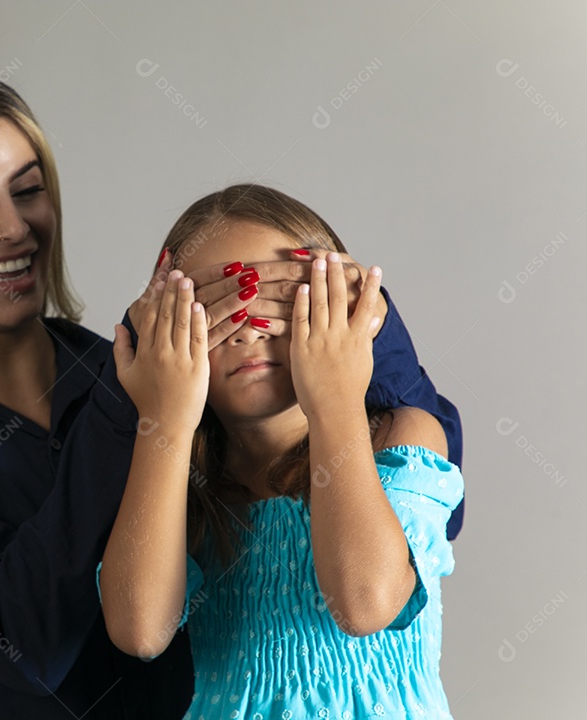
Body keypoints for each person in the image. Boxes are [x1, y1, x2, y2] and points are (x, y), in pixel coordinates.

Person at [0, 58, 461, 719]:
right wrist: (148, 405)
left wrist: (348, 307)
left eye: (29, 189)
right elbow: (30, 637)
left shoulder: (158, 389)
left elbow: (421, 475)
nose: (14, 227)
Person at [98, 184, 464, 718]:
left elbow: (364, 604)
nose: (248, 331)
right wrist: (167, 417)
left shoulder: (401, 438)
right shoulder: (181, 485)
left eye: (280, 302)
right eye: (216, 312)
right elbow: (140, 631)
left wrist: (335, 397)